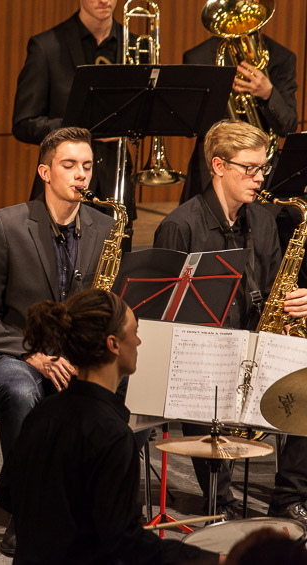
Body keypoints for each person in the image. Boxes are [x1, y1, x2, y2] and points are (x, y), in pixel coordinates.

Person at [0, 126, 114, 555]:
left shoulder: (105, 227)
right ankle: (25, 512)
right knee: (21, 391)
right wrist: (33, 354)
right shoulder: (6, 225)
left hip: (77, 357)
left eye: (87, 166)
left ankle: (100, 507)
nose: (81, 175)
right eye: (70, 165)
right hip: (12, 354)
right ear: (45, 172)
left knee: (131, 390)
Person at [154, 120, 307, 523]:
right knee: (205, 378)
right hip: (201, 356)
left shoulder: (264, 221)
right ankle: (218, 502)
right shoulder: (179, 226)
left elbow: (272, 287)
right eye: (250, 169)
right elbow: (165, 318)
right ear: (219, 166)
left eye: (263, 169)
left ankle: (289, 496)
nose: (260, 179)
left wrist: (292, 304)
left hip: (257, 344)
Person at [0, 289, 219, 565]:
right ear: (113, 344)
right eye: (134, 332)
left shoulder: (40, 414)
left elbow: (5, 495)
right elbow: (129, 545)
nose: (138, 341)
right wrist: (211, 560)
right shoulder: (113, 434)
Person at [11, 0, 136, 223]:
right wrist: (84, 127)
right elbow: (24, 123)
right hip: (62, 192)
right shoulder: (46, 47)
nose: (104, 0)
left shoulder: (134, 45)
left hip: (117, 187)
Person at [180, 32, 298, 203]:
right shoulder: (199, 57)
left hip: (263, 165)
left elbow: (288, 126)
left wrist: (269, 94)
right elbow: (190, 124)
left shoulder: (281, 57)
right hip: (214, 164)